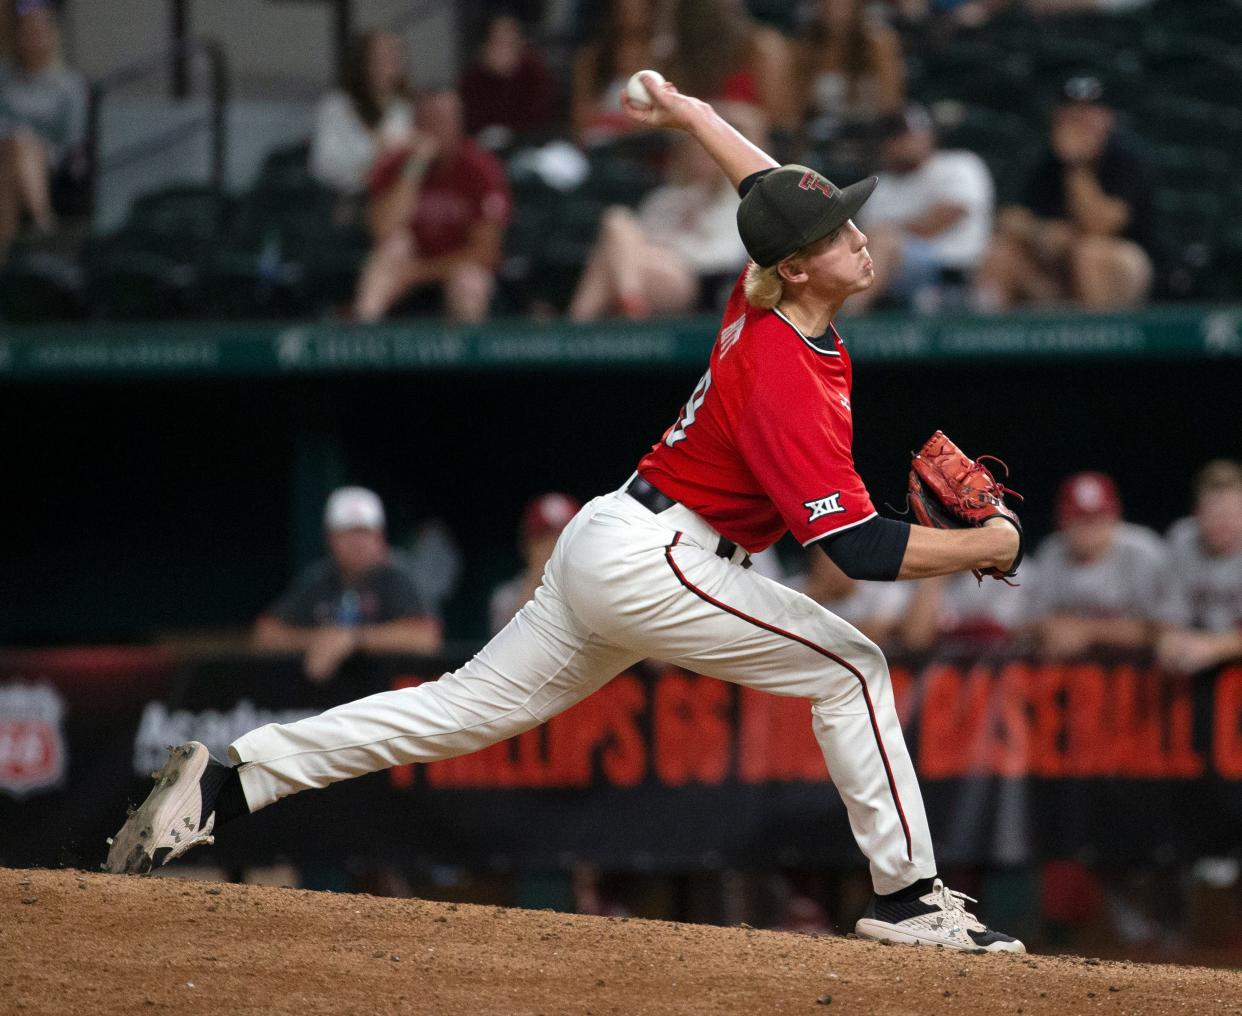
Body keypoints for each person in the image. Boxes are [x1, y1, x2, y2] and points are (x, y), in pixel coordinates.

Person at [107, 73, 1025, 954]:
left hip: (620, 540)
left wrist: (690, 112)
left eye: (850, 218)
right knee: (854, 667)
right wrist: (989, 542)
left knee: (456, 711)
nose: (861, 236)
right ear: (793, 266)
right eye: (836, 231)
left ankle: (232, 780)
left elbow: (760, 182)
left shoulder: (768, 298)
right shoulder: (785, 371)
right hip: (660, 559)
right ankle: (907, 899)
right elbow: (854, 548)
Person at [974, 74, 1155, 311]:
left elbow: (1101, 227)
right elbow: (1008, 219)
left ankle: (1099, 344)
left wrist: (1076, 165)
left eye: (1089, 112)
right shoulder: (1044, 159)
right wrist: (1043, 233)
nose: (1079, 120)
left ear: (1107, 118)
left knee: (1089, 254)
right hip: (1059, 269)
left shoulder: (1126, 157)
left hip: (1125, 265)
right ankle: (988, 342)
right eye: (1071, 112)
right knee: (1001, 254)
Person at [567, 106, 759, 321]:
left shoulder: (736, 203)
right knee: (617, 220)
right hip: (644, 269)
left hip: (689, 279)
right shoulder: (664, 198)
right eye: (695, 149)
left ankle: (575, 328)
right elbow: (633, 242)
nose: (700, 156)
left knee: (607, 259)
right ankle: (628, 300)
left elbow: (723, 257)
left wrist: (672, 248)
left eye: (707, 151)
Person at [252, 486, 443, 683]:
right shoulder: (319, 577)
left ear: (380, 537)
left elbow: (426, 637)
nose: (357, 543)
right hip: (326, 700)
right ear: (330, 539)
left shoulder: (398, 575)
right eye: (347, 533)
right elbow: (266, 633)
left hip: (389, 696)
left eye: (364, 533)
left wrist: (353, 639)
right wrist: (321, 640)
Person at [354, 88, 511, 323]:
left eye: (444, 120)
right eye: (430, 120)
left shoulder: (481, 168)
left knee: (469, 281)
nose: (437, 129)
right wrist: (415, 165)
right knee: (393, 248)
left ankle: (467, 358)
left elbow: (486, 252)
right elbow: (382, 230)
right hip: (406, 267)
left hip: (452, 268)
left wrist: (417, 273)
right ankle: (363, 342)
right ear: (416, 124)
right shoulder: (398, 164)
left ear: (459, 123)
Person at [851, 104, 994, 313]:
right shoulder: (879, 184)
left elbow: (942, 219)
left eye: (905, 135)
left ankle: (846, 320)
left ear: (927, 135)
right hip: (897, 273)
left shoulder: (959, 164)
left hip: (954, 267)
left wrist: (889, 231)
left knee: (884, 242)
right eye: (892, 138)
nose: (898, 144)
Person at [1027, 472, 1174, 657]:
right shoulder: (1052, 552)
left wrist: (1089, 632)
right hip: (1079, 672)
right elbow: (1031, 622)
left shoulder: (1143, 553)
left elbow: (1166, 629)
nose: (1089, 528)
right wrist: (1047, 628)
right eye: (1079, 519)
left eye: (1097, 518)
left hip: (1140, 671)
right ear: (1062, 520)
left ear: (1115, 516)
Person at [0, 2, 88, 260]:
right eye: (28, 30)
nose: (34, 36)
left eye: (40, 30)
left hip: (50, 162)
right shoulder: (4, 76)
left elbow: (73, 139)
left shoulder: (69, 84)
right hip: (3, 150)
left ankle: (23, 241)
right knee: (15, 148)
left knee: (21, 148)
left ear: (52, 34)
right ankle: (44, 226)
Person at [1156, 460, 1242, 675]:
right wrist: (1169, 641)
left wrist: (1216, 647)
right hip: (1199, 660)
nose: (1223, 523)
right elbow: (1168, 620)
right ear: (1197, 513)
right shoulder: (1181, 540)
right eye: (1214, 514)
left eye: (1231, 514)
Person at [309, 31, 415, 199]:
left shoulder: (409, 108)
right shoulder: (336, 106)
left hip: (400, 198)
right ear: (362, 62)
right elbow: (323, 166)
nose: (385, 65)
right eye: (377, 58)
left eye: (393, 57)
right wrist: (374, 159)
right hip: (350, 199)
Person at [796, 0, 905, 136]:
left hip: (874, 133)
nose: (837, 11)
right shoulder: (807, 49)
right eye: (830, 5)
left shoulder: (880, 43)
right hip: (826, 134)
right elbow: (799, 111)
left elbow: (890, 103)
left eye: (844, 4)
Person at [489, 492, 582, 635]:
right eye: (543, 539)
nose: (552, 547)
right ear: (527, 544)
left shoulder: (593, 585)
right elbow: (508, 645)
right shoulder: (507, 596)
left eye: (562, 538)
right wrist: (534, 581)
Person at [459, 11, 556, 142]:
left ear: (519, 44)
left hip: (526, 140)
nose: (503, 50)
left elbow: (538, 116)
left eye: (509, 44)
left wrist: (507, 78)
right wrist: (493, 77)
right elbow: (468, 116)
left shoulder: (533, 69)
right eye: (497, 43)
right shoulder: (476, 73)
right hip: (484, 141)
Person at [797, 549, 912, 648]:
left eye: (838, 560)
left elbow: (875, 633)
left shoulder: (882, 587)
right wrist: (811, 599)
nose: (833, 570)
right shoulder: (800, 592)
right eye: (824, 561)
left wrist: (818, 634)